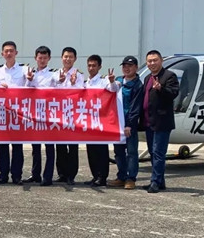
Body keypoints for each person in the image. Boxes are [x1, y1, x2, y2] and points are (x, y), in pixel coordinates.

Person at [141, 50, 179, 193]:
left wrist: (160, 88)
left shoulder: (169, 76)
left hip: (162, 122)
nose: (152, 63)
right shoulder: (147, 78)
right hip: (149, 121)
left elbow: (173, 93)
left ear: (161, 61)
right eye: (149, 61)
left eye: (155, 60)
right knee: (152, 152)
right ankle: (160, 181)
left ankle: (155, 182)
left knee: (158, 153)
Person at [0, 41, 27, 185]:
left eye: (11, 51)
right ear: (2, 54)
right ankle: (3, 175)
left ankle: (17, 175)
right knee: (2, 146)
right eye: (6, 51)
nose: (8, 53)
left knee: (17, 146)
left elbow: (29, 88)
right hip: (2, 112)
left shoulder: (24, 70)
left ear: (16, 53)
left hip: (18, 113)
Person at [108, 55, 144, 190]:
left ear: (136, 67)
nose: (126, 68)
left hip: (129, 125)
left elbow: (135, 107)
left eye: (130, 66)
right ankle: (121, 176)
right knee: (118, 152)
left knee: (132, 152)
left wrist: (129, 124)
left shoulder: (138, 85)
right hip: (116, 124)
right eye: (124, 66)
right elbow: (110, 90)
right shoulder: (118, 80)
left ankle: (131, 178)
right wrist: (111, 82)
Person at [83, 54, 119, 187]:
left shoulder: (104, 81)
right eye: (89, 65)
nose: (91, 68)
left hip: (101, 121)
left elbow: (114, 89)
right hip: (88, 121)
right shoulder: (85, 82)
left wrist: (112, 81)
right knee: (91, 150)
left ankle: (102, 177)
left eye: (94, 65)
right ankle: (95, 176)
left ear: (99, 67)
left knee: (101, 150)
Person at [25, 46, 56, 186]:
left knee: (49, 147)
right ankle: (35, 174)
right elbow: (25, 92)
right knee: (35, 147)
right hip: (34, 115)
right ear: (35, 58)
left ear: (49, 58)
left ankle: (47, 176)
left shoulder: (54, 74)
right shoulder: (31, 74)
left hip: (49, 115)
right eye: (40, 58)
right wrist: (29, 80)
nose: (42, 60)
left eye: (45, 58)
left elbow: (60, 89)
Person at [53, 46, 84, 185]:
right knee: (60, 147)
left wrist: (72, 83)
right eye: (66, 56)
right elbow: (49, 92)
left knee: (72, 147)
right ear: (61, 58)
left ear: (75, 59)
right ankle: (62, 174)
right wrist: (59, 82)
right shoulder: (55, 74)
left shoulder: (79, 75)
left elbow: (81, 94)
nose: (68, 59)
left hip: (72, 116)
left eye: (71, 57)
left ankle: (71, 175)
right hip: (58, 116)